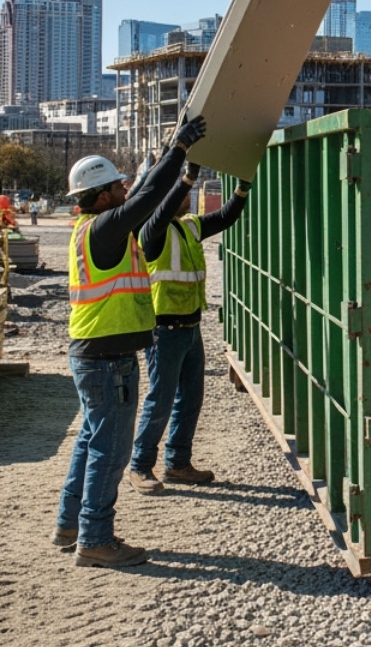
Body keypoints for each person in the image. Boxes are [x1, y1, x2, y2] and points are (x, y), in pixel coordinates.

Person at [52, 115, 206, 569]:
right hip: (106, 359)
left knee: (89, 440)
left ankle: (69, 523)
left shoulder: (90, 229)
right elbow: (146, 199)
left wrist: (170, 156)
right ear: (102, 197)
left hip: (93, 353)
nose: (125, 191)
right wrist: (178, 150)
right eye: (117, 188)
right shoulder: (103, 229)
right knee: (110, 449)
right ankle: (95, 538)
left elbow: (141, 195)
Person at [126, 162, 251, 494]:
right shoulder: (150, 232)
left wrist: (242, 188)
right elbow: (164, 207)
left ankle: (178, 463)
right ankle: (140, 466)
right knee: (161, 400)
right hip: (164, 331)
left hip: (190, 327)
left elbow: (225, 218)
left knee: (190, 399)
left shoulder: (190, 226)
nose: (190, 195)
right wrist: (185, 178)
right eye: (182, 192)